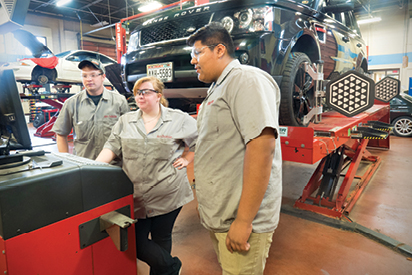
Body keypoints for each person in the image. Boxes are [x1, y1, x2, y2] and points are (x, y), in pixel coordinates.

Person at [187, 22, 282, 274]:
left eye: (197, 53)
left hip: (239, 220)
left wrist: (243, 221)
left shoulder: (246, 80)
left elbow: (262, 149)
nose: (193, 61)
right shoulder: (218, 87)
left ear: (219, 50)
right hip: (222, 214)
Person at [95, 76, 197, 275]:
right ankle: (172, 266)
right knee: (136, 243)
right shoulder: (126, 121)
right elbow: (111, 147)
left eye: (145, 91)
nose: (140, 96)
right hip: (136, 195)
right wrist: (93, 168)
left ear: (158, 96)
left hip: (168, 193)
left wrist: (187, 158)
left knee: (162, 237)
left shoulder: (178, 119)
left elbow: (196, 142)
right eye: (137, 92)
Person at [51, 59, 129, 159]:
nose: (89, 79)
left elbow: (128, 135)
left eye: (93, 75)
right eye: (84, 76)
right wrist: (67, 160)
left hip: (114, 165)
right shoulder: (71, 103)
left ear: (103, 77)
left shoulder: (119, 101)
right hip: (84, 165)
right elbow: (61, 134)